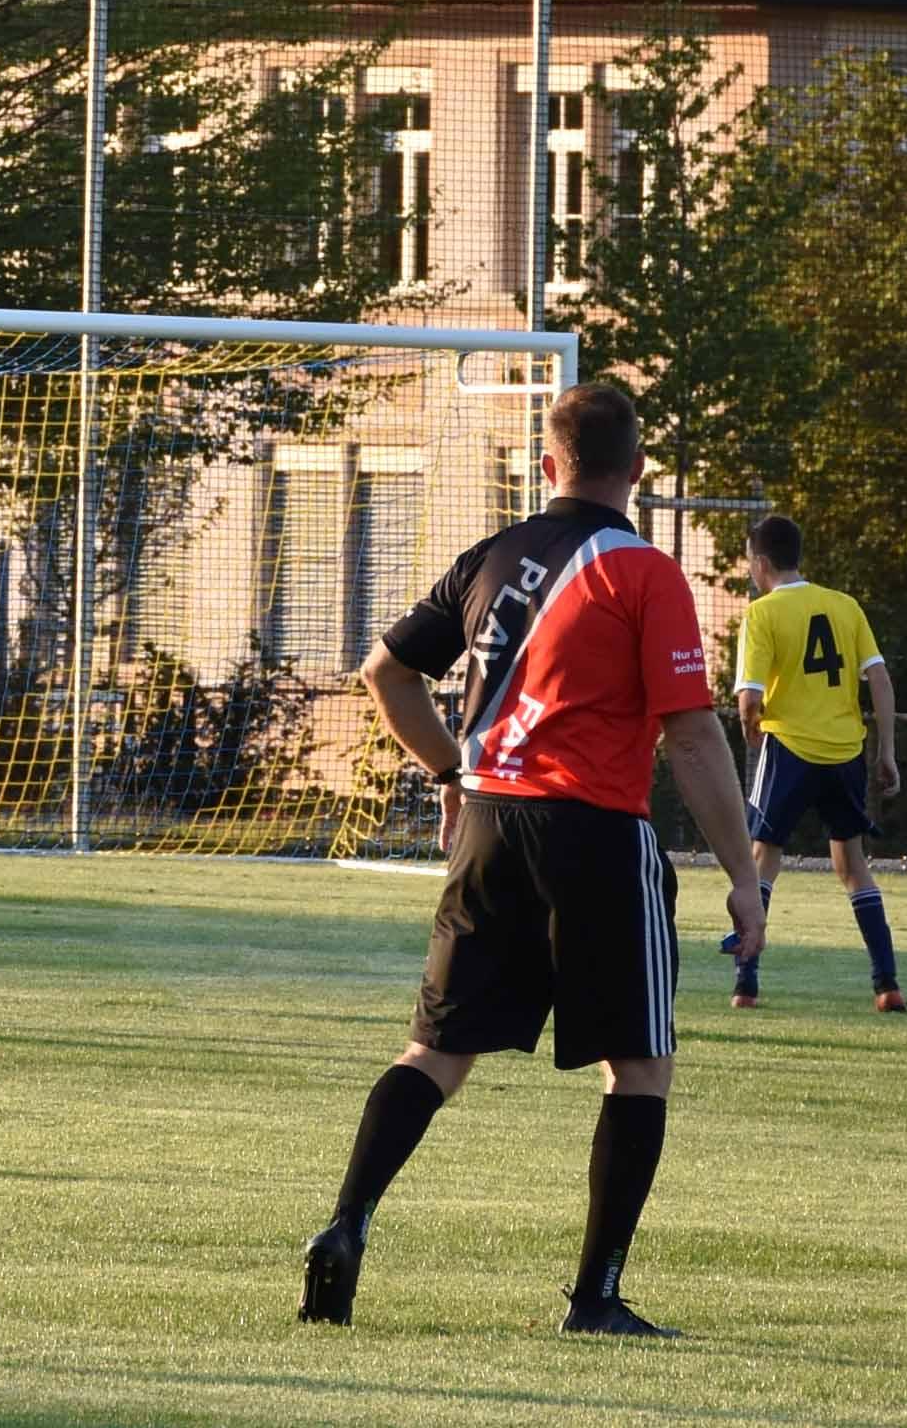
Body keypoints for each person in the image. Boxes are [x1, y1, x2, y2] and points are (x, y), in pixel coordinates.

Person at [297, 379, 764, 1341]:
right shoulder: (645, 572)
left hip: (491, 828)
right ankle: (596, 1298)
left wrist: (448, 774)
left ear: (548, 466)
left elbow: (385, 671)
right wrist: (745, 876)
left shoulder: (492, 556)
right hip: (594, 832)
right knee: (638, 1068)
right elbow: (693, 737)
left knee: (435, 1050)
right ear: (638, 470)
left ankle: (347, 1224)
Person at [723, 513, 906, 1013]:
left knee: (761, 861)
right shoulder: (844, 606)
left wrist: (752, 735)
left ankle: (746, 985)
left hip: (789, 749)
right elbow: (881, 681)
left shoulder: (762, 615)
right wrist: (885, 751)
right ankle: (887, 983)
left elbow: (748, 701)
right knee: (852, 866)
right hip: (846, 751)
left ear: (760, 563)